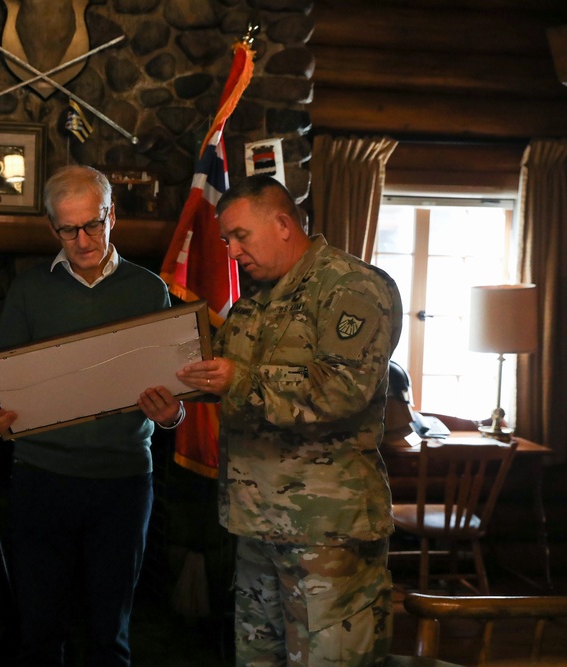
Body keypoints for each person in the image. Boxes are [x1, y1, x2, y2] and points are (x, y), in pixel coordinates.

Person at [176, 175, 403, 666]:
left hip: (326, 532)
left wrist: (238, 379)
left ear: (282, 224)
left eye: (241, 236)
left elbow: (342, 390)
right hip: (258, 525)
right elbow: (226, 382)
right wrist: (174, 400)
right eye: (225, 241)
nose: (233, 251)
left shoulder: (352, 287)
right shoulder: (253, 302)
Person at [0, 165, 183, 666]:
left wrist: (171, 415)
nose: (83, 240)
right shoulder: (29, 290)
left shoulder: (149, 288)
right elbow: (3, 384)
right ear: (52, 228)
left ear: (113, 216)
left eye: (93, 224)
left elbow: (173, 398)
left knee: (110, 629)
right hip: (41, 477)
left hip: (123, 480)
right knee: (40, 628)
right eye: (68, 229)